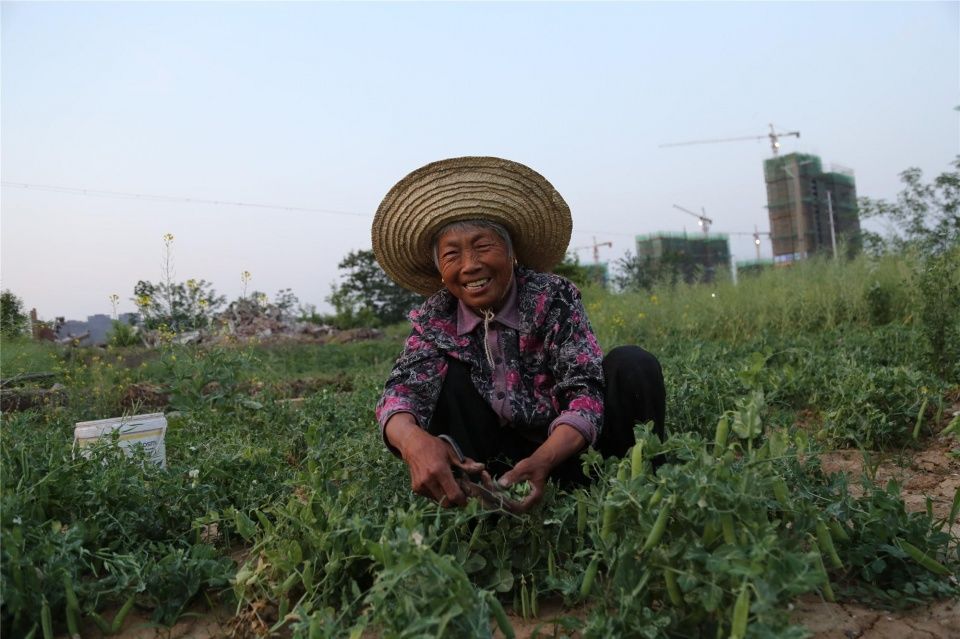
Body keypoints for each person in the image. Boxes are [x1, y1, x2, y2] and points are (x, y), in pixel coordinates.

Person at [372, 156, 665, 513]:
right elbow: (400, 393)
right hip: (491, 467)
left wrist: (544, 459)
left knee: (633, 365)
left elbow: (585, 392)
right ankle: (481, 506)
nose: (470, 265)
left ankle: (636, 494)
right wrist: (413, 441)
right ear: (441, 271)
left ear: (512, 255)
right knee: (447, 382)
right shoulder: (437, 316)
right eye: (452, 255)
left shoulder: (551, 297)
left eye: (483, 247)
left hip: (569, 453)